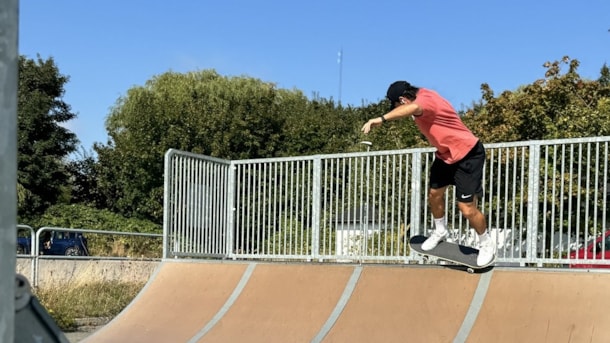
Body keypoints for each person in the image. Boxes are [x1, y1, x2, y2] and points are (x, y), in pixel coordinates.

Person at [361, 81, 495, 266]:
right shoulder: (422, 93)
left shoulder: (424, 101)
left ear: (402, 100)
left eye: (397, 105)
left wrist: (381, 119)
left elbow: (414, 107)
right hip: (445, 156)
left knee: (466, 208)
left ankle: (486, 243)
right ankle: (440, 231)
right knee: (434, 195)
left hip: (467, 154)